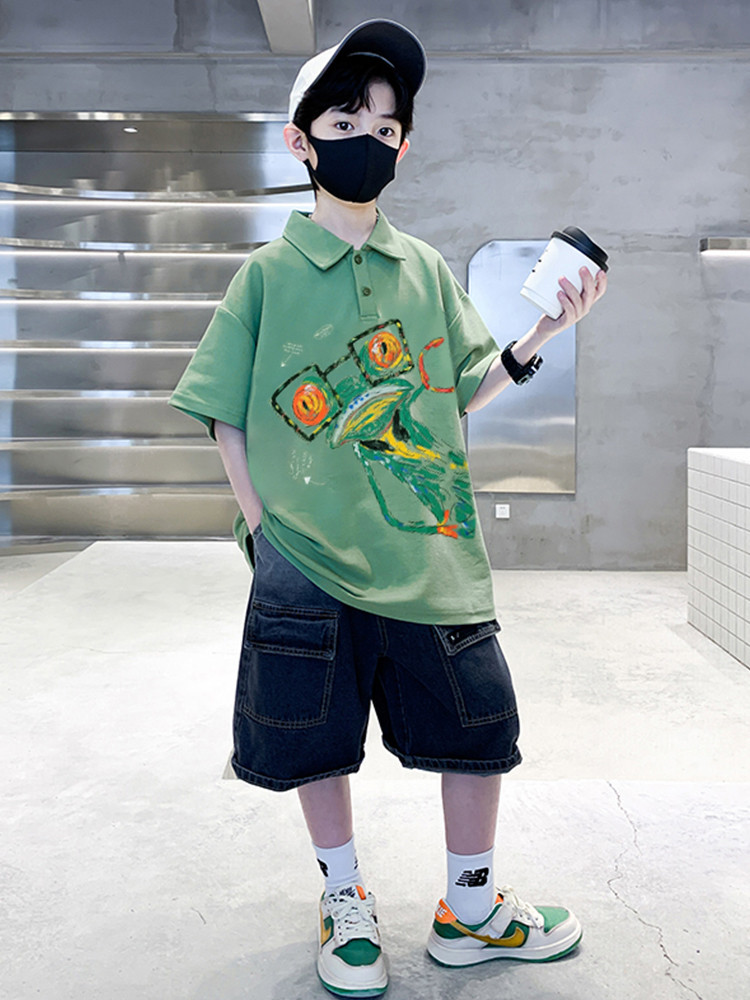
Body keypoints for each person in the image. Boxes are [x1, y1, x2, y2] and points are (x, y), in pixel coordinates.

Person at [169, 18, 607, 998]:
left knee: (479, 724)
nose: (367, 137)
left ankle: (470, 910)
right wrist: (264, 529)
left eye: (385, 125)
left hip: (429, 551)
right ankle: (345, 896)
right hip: (307, 557)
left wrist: (541, 331)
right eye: (344, 120)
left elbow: (462, 386)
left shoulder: (424, 269)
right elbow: (222, 410)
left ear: (403, 147)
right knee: (314, 736)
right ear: (301, 141)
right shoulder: (266, 276)